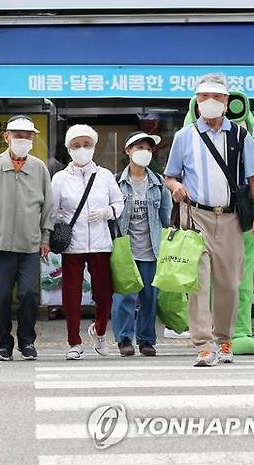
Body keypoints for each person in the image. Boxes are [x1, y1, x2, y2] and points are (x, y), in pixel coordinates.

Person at [164, 73, 254, 367]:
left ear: (226, 102)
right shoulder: (184, 137)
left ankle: (224, 339)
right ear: (197, 103)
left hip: (232, 218)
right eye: (204, 97)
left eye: (217, 97)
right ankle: (203, 345)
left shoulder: (240, 135)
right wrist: (176, 188)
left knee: (229, 284)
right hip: (196, 215)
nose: (210, 103)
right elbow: (170, 175)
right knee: (199, 283)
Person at [0, 115, 54, 361]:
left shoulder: (39, 168)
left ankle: (27, 341)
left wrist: (45, 236)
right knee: (1, 297)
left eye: (27, 136)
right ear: (7, 137)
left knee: (29, 294)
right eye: (17, 135)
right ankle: (3, 344)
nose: (23, 140)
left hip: (30, 244)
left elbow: (48, 206)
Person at [51, 125, 123, 361]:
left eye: (86, 144)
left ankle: (100, 331)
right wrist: (60, 219)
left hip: (101, 243)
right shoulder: (60, 178)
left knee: (104, 293)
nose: (82, 149)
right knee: (71, 295)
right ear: (69, 149)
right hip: (73, 244)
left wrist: (106, 212)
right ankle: (74, 342)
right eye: (76, 145)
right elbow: (51, 210)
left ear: (93, 147)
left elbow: (119, 204)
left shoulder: (105, 176)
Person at [112, 131, 173, 357]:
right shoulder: (117, 182)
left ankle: (146, 339)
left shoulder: (159, 183)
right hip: (125, 250)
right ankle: (124, 339)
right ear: (128, 151)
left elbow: (166, 218)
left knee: (149, 297)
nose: (144, 153)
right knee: (124, 297)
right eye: (139, 148)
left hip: (152, 250)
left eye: (148, 149)